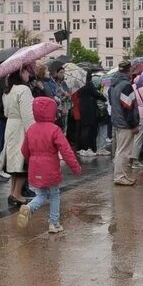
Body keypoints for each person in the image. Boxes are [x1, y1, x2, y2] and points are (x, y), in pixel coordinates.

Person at [17, 96, 82, 234]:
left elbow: (24, 150)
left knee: (41, 194)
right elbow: (66, 151)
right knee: (54, 194)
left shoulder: (31, 129)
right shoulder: (55, 129)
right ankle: (54, 223)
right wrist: (75, 167)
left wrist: (32, 160)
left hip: (35, 167)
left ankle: (29, 207)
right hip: (50, 168)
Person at [1, 68, 36, 207]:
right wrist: (32, 132)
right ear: (21, 73)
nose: (29, 74)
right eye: (26, 71)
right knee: (22, 161)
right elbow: (27, 115)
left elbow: (5, 112)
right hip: (21, 126)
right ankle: (17, 194)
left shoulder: (8, 90)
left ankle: (13, 192)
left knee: (13, 160)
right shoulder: (23, 90)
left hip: (10, 125)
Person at [108, 62, 140, 186]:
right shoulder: (126, 86)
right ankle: (120, 176)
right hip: (125, 123)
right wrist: (134, 124)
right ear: (128, 71)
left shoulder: (113, 85)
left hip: (117, 120)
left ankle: (120, 175)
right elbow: (129, 107)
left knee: (119, 150)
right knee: (124, 151)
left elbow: (112, 102)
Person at [75, 73, 106, 156]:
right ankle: (87, 148)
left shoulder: (80, 86)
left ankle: (82, 147)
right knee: (89, 130)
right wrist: (103, 97)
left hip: (83, 109)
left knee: (84, 129)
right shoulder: (90, 85)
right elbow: (97, 95)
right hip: (90, 110)